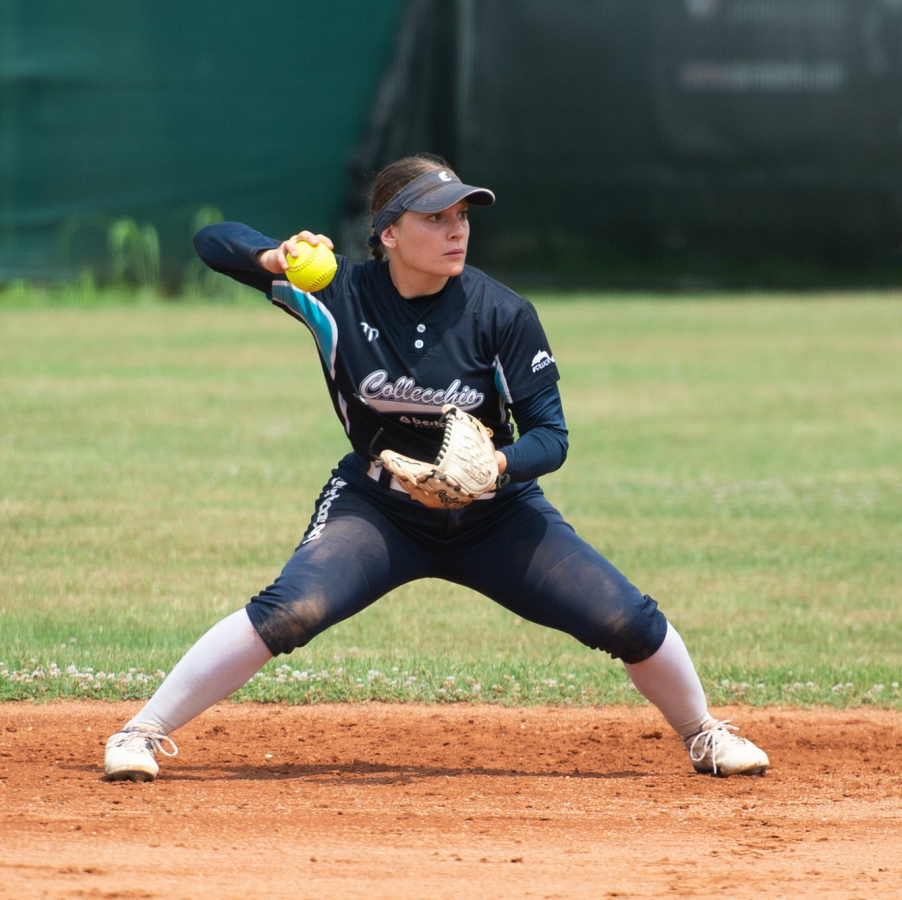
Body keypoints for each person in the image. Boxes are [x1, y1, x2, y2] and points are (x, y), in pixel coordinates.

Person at [104, 153, 769, 782]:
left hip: (495, 514)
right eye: (436, 217)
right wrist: (270, 257)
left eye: (462, 216)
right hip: (379, 509)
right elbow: (212, 242)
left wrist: (496, 464)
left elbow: (552, 437)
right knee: (290, 610)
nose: (457, 231)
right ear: (389, 233)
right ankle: (140, 732)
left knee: (627, 619)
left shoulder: (501, 314)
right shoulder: (336, 292)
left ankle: (704, 732)